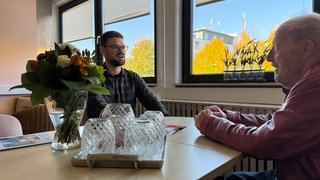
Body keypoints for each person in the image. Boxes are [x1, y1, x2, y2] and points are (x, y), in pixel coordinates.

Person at [194, 13, 320, 180]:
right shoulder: (310, 82)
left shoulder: (316, 84)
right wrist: (229, 117)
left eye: (275, 47)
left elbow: (267, 142)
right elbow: (276, 124)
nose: (268, 58)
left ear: (306, 49)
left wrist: (211, 124)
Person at [87, 31, 169, 118]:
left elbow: (152, 102)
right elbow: (99, 108)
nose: (121, 51)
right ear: (103, 50)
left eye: (123, 47)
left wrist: (169, 120)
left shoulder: (133, 77)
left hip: (130, 129)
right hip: (103, 130)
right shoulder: (94, 78)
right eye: (116, 47)